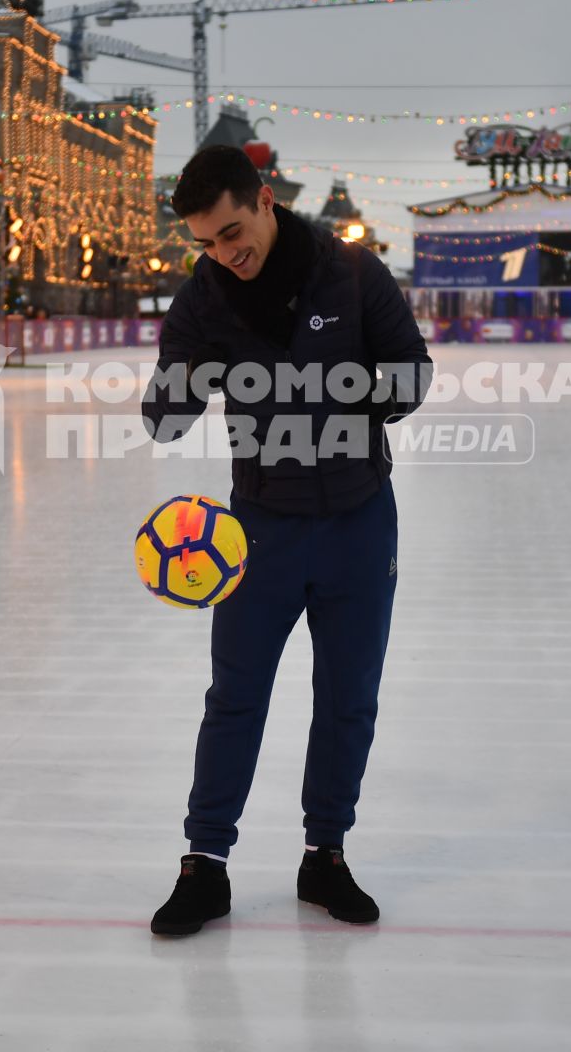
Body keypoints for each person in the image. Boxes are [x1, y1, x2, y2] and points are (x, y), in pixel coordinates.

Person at [140, 144, 431, 937]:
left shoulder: (354, 274)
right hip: (257, 533)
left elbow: (412, 370)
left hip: (358, 523)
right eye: (204, 243)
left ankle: (324, 856)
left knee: (348, 700)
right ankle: (205, 866)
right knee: (234, 699)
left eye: (231, 231)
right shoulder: (205, 297)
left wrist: (355, 399)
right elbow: (162, 418)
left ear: (265, 200)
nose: (223, 254)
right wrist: (183, 386)